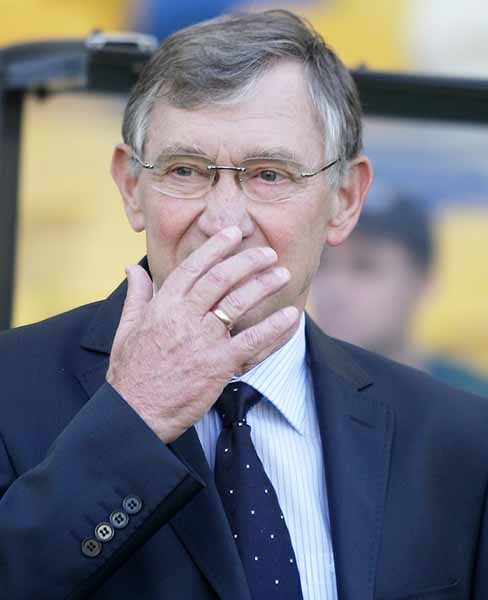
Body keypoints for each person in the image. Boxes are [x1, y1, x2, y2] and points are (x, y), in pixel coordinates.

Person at [0, 10, 487, 600]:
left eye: (269, 175)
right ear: (132, 188)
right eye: (186, 170)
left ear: (344, 200)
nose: (225, 222)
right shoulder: (9, 389)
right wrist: (133, 421)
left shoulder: (458, 441)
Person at [311, 190, 488, 397]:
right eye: (322, 263)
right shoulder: (285, 393)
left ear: (422, 283)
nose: (334, 289)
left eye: (365, 266)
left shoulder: (471, 400)